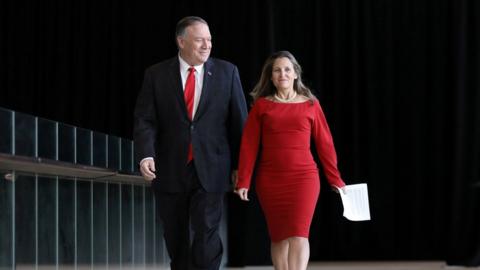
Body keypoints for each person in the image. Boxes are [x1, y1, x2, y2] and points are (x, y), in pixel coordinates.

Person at [134, 16, 247, 270]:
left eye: (209, 40)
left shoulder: (227, 72)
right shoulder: (156, 74)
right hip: (170, 167)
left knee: (206, 232)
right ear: (181, 41)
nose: (206, 45)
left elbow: (240, 124)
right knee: (176, 237)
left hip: (212, 167)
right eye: (199, 40)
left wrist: (242, 166)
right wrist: (146, 154)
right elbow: (145, 119)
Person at [235, 51, 346, 270]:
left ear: (296, 73)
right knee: (278, 237)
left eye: (287, 69)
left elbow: (325, 144)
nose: (282, 74)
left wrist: (335, 179)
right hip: (270, 180)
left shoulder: (311, 104)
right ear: (271, 76)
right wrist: (244, 181)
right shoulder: (262, 106)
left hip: (304, 178)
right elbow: (248, 146)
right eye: (277, 70)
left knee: (298, 234)